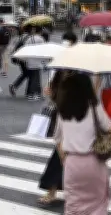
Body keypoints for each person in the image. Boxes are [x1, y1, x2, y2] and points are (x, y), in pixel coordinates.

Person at [55, 72, 111, 214]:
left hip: (72, 163)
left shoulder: (63, 110)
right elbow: (108, 128)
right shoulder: (95, 108)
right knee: (98, 204)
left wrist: (64, 159)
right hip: (94, 161)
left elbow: (58, 139)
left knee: (73, 205)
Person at [38, 70, 66, 206]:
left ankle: (52, 191)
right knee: (59, 157)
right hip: (64, 117)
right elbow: (52, 94)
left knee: (61, 158)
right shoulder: (60, 73)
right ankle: (52, 191)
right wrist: (51, 90)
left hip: (74, 119)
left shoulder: (79, 76)